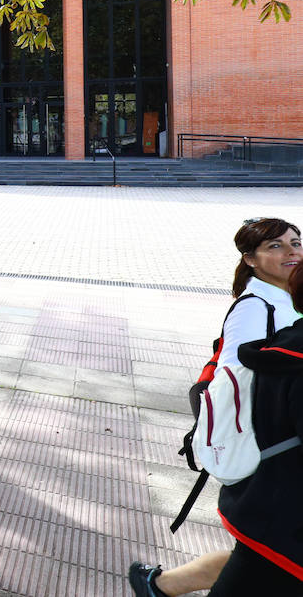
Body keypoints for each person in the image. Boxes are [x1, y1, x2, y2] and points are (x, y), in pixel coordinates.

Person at [129, 217, 303, 597]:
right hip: (268, 447)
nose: (292, 252)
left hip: (280, 452)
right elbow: (237, 380)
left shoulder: (286, 298)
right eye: (276, 246)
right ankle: (157, 585)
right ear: (251, 259)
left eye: (296, 242)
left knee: (261, 555)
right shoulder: (254, 307)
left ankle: (158, 585)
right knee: (263, 555)